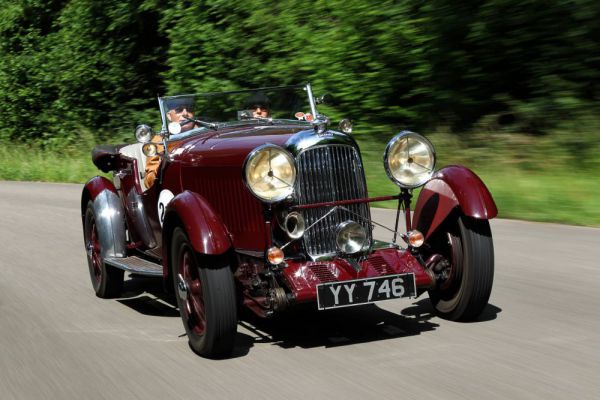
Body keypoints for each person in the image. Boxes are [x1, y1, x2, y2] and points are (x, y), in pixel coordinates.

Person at [143, 99, 197, 189]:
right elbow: (149, 181)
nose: (185, 113)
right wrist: (162, 168)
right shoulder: (159, 141)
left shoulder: (207, 134)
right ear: (169, 116)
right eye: (179, 110)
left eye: (190, 109)